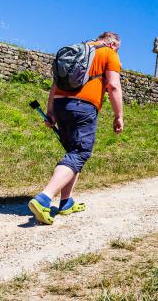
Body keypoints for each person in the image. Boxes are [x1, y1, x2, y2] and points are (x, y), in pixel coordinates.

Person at [28, 32, 124, 225]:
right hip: (83, 107)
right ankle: (44, 198)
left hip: (60, 105)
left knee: (73, 153)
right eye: (118, 48)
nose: (118, 51)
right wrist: (118, 115)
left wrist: (51, 111)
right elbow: (113, 86)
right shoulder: (108, 53)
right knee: (80, 153)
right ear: (113, 43)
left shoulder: (79, 49)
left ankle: (66, 202)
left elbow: (56, 84)